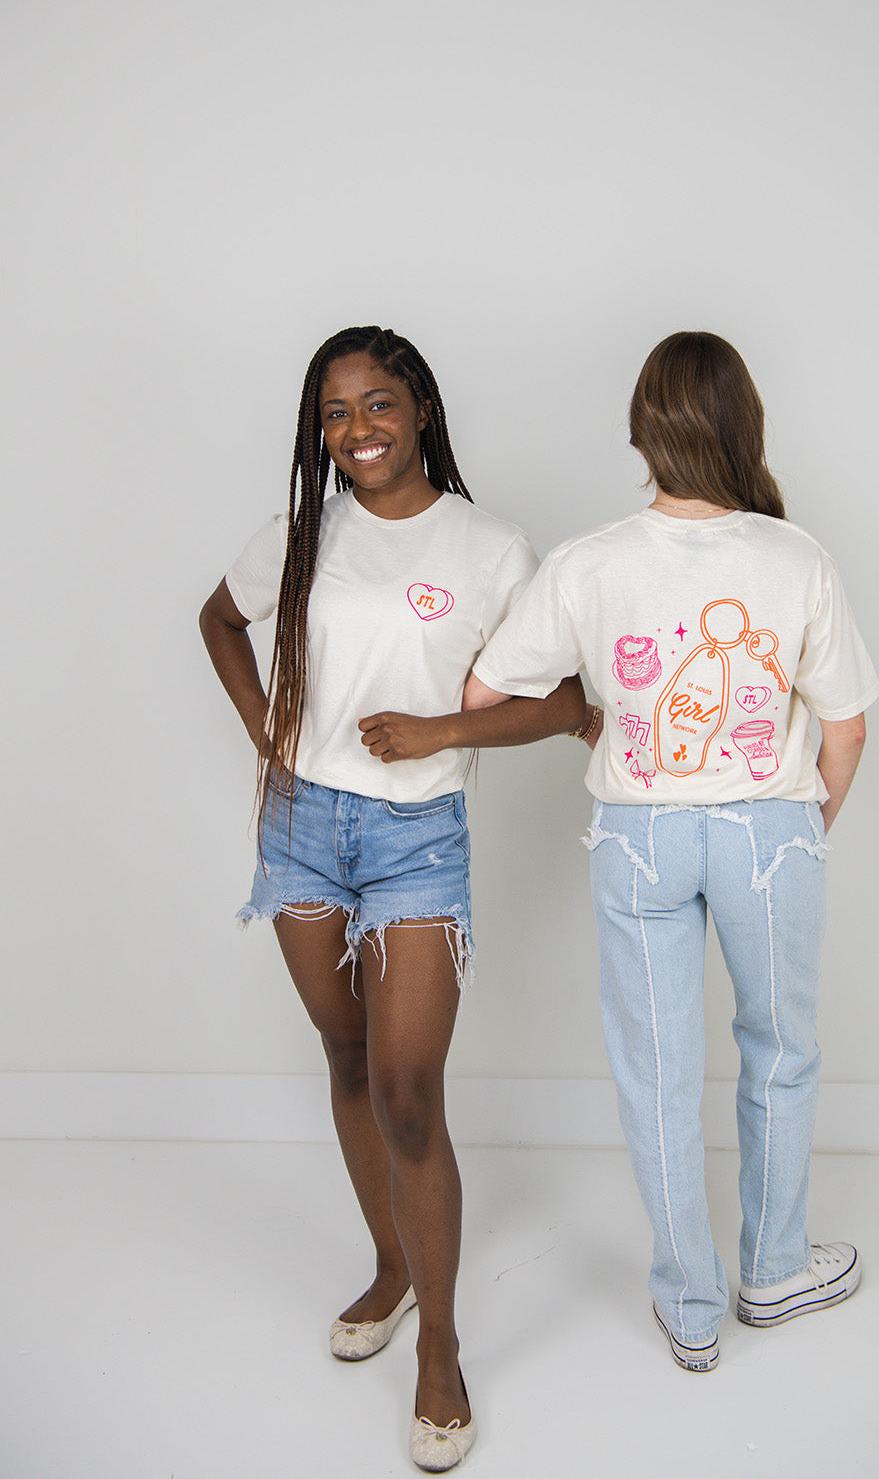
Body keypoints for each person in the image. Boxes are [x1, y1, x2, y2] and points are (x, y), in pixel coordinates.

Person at [369, 331, 879, 1370]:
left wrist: (595, 720)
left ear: (643, 432)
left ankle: (691, 1308)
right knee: (780, 1053)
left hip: (638, 839)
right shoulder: (797, 557)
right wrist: (797, 827)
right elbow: (847, 727)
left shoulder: (589, 564)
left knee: (655, 1073)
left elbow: (483, 693)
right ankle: (774, 1272)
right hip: (766, 832)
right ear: (745, 426)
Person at [199, 326, 585, 1471]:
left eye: (377, 405)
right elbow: (219, 621)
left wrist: (443, 731)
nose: (357, 430)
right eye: (335, 413)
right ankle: (391, 1267)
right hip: (302, 831)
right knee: (351, 1059)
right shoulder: (305, 532)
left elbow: (567, 702)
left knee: (411, 1092)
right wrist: (265, 722)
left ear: (420, 408)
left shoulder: (492, 547)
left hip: (417, 836)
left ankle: (444, 1349)